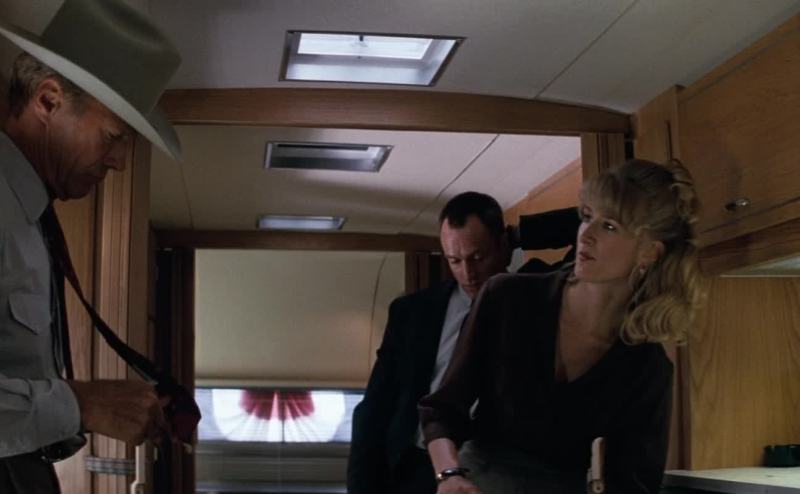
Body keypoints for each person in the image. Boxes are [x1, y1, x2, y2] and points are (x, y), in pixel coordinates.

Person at [420, 160, 704, 494]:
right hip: (476, 481)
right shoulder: (507, 297)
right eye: (587, 217)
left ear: (649, 253)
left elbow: (633, 483)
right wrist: (449, 475)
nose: (586, 234)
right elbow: (442, 409)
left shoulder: (645, 366)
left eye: (609, 226)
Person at [0, 0, 182, 491]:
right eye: (113, 135)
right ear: (48, 100)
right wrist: (82, 404)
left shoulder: (30, 215)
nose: (119, 160)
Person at [347, 191, 580, 494]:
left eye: (478, 258)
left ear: (503, 246)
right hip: (419, 468)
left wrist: (521, 234)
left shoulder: (536, 295)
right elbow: (374, 408)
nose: (468, 274)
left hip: (503, 470)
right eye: (454, 261)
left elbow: (588, 228)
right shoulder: (412, 313)